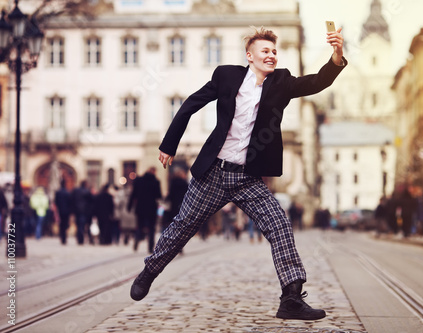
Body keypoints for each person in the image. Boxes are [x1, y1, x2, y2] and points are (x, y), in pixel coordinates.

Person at [130, 26, 346, 321]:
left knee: (279, 224)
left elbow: (317, 82)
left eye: (273, 51)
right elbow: (190, 104)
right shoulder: (227, 76)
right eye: (265, 51)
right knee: (182, 226)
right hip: (213, 174)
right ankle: (150, 270)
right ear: (250, 55)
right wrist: (169, 145)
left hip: (248, 178)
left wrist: (336, 56)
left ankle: (292, 299)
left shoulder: (281, 81)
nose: (271, 55)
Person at [127, 167, 162, 253]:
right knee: (151, 228)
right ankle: (150, 247)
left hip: (140, 207)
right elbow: (159, 195)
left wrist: (130, 205)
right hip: (152, 208)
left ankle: (137, 239)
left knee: (139, 226)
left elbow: (133, 194)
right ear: (154, 172)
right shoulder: (156, 182)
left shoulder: (139, 180)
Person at [71, 180, 94, 245]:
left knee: (79, 225)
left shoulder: (76, 191)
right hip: (85, 211)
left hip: (77, 211)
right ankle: (84, 238)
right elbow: (91, 201)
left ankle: (80, 239)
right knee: (84, 225)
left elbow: (72, 200)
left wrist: (73, 210)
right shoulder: (87, 191)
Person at [54, 179, 72, 245]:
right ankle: (64, 237)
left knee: (61, 224)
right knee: (65, 224)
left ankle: (62, 237)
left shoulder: (58, 192)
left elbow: (56, 202)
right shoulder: (67, 192)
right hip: (67, 211)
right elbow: (70, 202)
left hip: (60, 210)